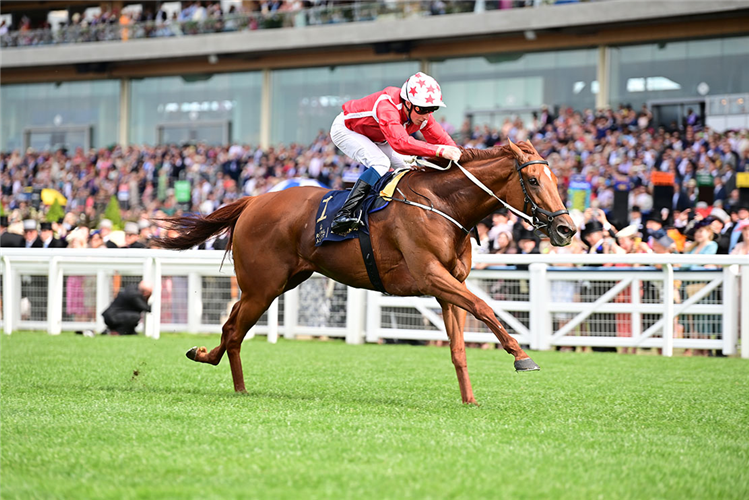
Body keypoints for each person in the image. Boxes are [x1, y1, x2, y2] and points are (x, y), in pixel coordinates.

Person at [329, 72, 460, 234]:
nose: (426, 115)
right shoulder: (387, 106)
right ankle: (344, 214)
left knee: (407, 166)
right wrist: (440, 151)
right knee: (381, 163)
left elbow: (441, 139)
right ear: (407, 103)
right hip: (347, 129)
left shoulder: (420, 114)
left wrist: (462, 157)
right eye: (422, 109)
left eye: (432, 109)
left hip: (378, 136)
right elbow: (401, 143)